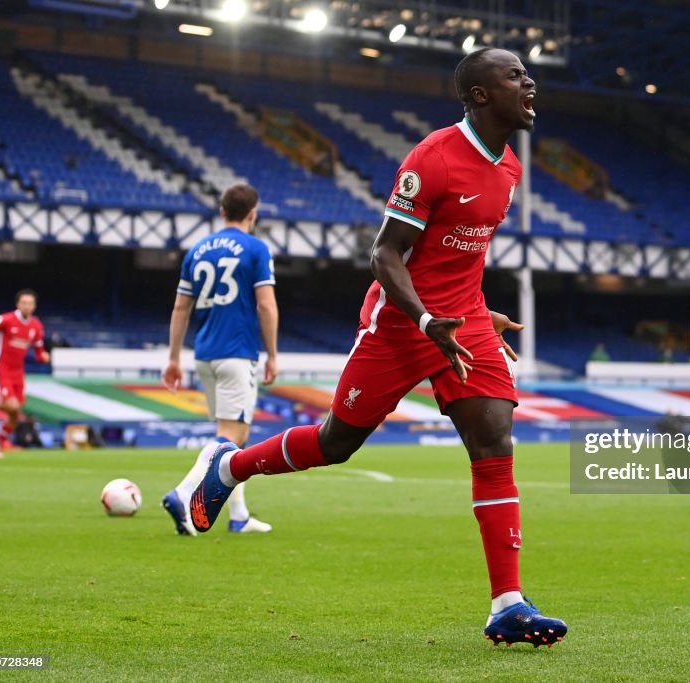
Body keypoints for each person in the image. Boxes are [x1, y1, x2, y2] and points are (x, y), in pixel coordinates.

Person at [188, 48, 567, 646]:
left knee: (494, 441)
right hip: (399, 323)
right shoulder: (434, 158)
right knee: (338, 442)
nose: (530, 82)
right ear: (480, 95)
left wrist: (477, 310)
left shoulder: (510, 170)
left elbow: (460, 257)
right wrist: (422, 320)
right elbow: (385, 254)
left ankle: (508, 604)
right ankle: (229, 468)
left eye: (527, 73)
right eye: (514, 75)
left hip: (463, 321)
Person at [161, 183, 279, 536]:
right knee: (232, 434)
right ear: (252, 213)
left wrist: (172, 358)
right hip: (237, 353)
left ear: (222, 210)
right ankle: (182, 494)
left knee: (232, 441)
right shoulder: (256, 248)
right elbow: (266, 304)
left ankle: (239, 516)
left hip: (205, 353)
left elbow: (181, 306)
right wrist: (272, 353)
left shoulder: (197, 250)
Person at [0, 289, 50, 459]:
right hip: (2, 369)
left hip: (18, 372)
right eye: (24, 303)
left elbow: (39, 352)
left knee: (15, 414)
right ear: (17, 304)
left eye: (30, 303)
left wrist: (43, 356)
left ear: (35, 306)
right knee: (13, 406)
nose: (27, 306)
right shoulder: (5, 320)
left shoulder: (36, 326)